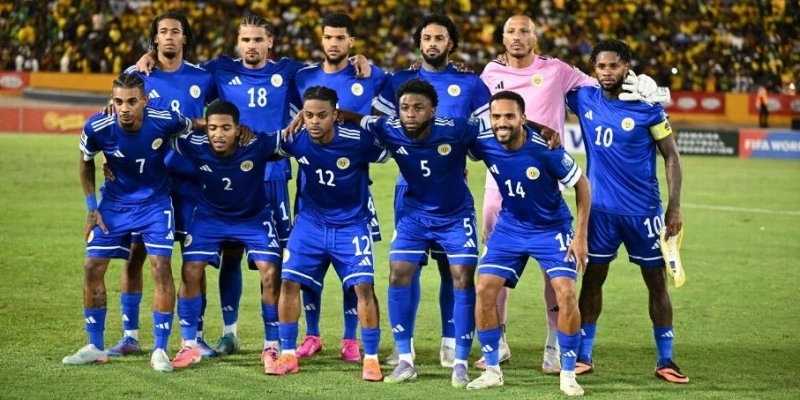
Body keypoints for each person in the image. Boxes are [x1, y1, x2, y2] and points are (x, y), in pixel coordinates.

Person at [137, 15, 372, 358]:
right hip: (224, 176)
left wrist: (357, 59)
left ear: (270, 43)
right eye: (245, 40)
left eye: (258, 40)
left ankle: (286, 338)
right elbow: (176, 69)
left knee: (281, 263)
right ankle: (228, 333)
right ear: (238, 41)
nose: (251, 46)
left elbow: (327, 70)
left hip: (272, 175)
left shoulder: (291, 71)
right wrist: (148, 58)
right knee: (228, 256)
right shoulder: (218, 70)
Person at [476, 14, 670, 373]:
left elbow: (600, 86)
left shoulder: (558, 70)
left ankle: (554, 343)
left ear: (536, 36)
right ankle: (498, 339)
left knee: (556, 269)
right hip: (498, 179)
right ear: (501, 38)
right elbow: (477, 114)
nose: (517, 37)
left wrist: (641, 87)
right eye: (511, 32)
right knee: (493, 265)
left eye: (524, 31)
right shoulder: (488, 73)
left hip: (547, 180)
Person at [337, 78, 481, 386]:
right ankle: (404, 359)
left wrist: (543, 129)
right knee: (398, 271)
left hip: (456, 216)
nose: (410, 114)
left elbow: (495, 127)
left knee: (462, 275)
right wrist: (330, 113)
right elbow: (354, 118)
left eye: (418, 108)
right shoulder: (388, 127)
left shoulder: (456, 129)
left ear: (432, 110)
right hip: (414, 215)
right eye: (404, 108)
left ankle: (459, 361)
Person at [566, 39, 688, 384]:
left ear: (627, 67)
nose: (607, 73)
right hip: (600, 212)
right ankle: (584, 355)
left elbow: (672, 158)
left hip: (644, 213)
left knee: (656, 284)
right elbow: (546, 87)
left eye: (614, 66)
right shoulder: (584, 98)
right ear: (594, 69)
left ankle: (666, 359)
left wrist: (674, 207)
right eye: (601, 66)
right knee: (592, 282)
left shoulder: (649, 108)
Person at [374, 13, 491, 368]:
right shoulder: (399, 80)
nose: (432, 44)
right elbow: (376, 126)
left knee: (451, 271)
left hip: (452, 190)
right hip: (407, 189)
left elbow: (484, 135)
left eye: (439, 38)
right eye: (427, 38)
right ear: (419, 42)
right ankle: (401, 344)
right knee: (406, 268)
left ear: (450, 44)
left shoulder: (470, 84)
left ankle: (449, 341)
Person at [63, 72, 197, 372]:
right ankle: (95, 346)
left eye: (132, 102)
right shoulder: (97, 126)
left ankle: (160, 350)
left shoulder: (164, 119)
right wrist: (90, 207)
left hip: (155, 203)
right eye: (119, 101)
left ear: (144, 102)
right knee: (92, 267)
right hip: (114, 203)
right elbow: (85, 161)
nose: (124, 108)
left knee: (161, 266)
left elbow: (193, 125)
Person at [107, 11, 218, 359]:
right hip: (149, 185)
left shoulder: (204, 77)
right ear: (154, 39)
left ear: (185, 38)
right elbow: (112, 120)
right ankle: (130, 335)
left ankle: (193, 338)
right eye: (163, 32)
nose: (169, 37)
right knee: (136, 257)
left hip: (192, 182)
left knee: (193, 261)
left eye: (176, 31)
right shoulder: (138, 76)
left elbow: (217, 121)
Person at [465, 91, 590, 396]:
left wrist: (581, 235)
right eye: (496, 117)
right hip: (511, 226)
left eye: (509, 116)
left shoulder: (546, 150)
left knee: (567, 293)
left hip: (551, 228)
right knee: (483, 288)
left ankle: (569, 373)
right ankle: (493, 369)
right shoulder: (483, 141)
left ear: (522, 118)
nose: (501, 123)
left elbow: (582, 185)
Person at [266, 86, 388, 381]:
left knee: (363, 288)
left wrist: (356, 118)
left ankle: (370, 358)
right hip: (310, 223)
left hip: (352, 224)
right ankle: (288, 354)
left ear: (335, 115)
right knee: (289, 282)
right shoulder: (296, 138)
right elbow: (263, 148)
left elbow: (388, 151)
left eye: (322, 115)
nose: (315, 122)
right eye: (308, 115)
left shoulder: (357, 140)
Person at [292, 12, 388, 362]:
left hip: (354, 184)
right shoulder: (303, 76)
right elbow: (296, 119)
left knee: (354, 270)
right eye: (328, 37)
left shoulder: (371, 74)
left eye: (340, 38)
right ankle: (312, 334)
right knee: (308, 268)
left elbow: (399, 100)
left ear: (351, 42)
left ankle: (351, 339)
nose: (333, 43)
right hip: (311, 185)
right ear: (322, 40)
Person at [167, 99, 284, 373]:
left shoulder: (257, 144)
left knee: (270, 272)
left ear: (238, 128)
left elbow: (296, 138)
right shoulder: (194, 144)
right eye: (212, 128)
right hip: (210, 218)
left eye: (226, 128)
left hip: (253, 218)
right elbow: (156, 130)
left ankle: (271, 345)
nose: (218, 134)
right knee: (190, 269)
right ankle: (189, 343)